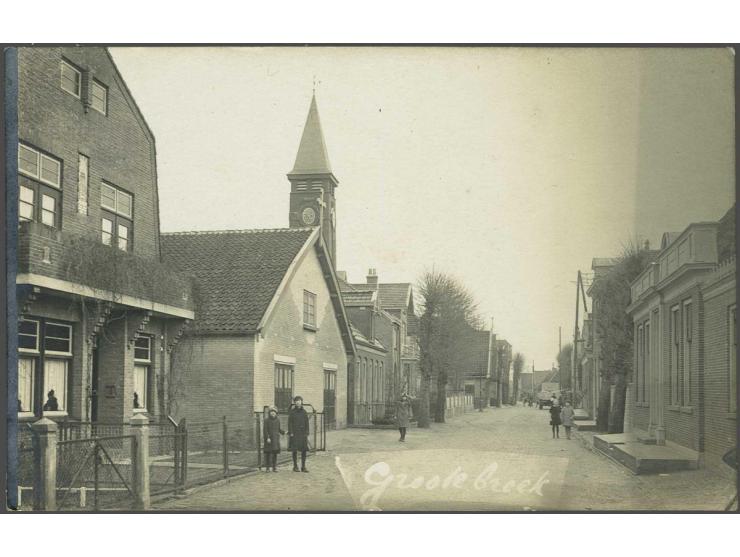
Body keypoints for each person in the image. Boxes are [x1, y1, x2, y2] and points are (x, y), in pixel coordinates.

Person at [288, 395, 310, 472]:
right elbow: (290, 423)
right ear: (295, 403)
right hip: (295, 433)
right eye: (296, 401)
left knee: (304, 450)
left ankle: (303, 466)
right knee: (295, 450)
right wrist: (291, 432)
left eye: (299, 401)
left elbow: (307, 423)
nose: (298, 403)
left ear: (301, 402)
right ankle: (295, 466)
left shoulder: (304, 412)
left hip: (302, 433)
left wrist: (307, 432)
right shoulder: (292, 412)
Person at [263, 405, 285, 472]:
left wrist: (283, 432)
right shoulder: (266, 420)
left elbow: (278, 429)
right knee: (268, 453)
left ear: (276, 413)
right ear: (269, 413)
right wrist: (267, 438)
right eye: (271, 412)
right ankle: (267, 467)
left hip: (275, 439)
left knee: (275, 454)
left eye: (274, 412)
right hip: (269, 439)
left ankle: (274, 467)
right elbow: (265, 430)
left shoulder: (277, 420)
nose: (273, 413)